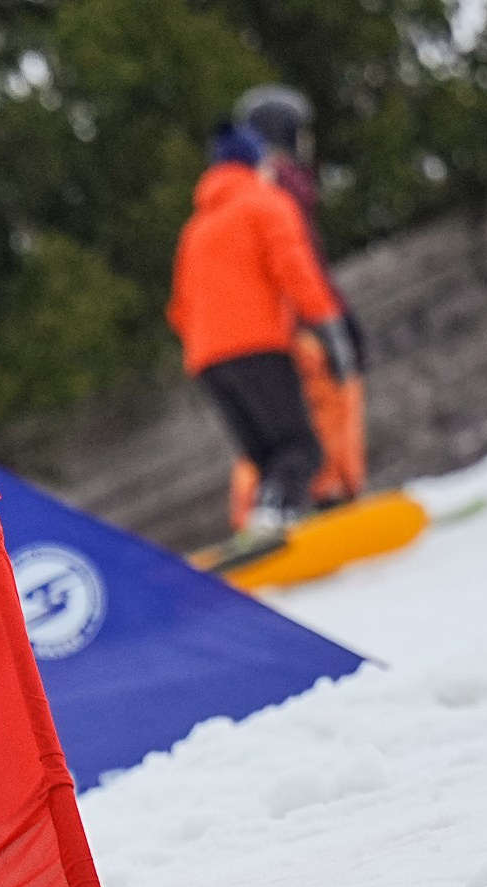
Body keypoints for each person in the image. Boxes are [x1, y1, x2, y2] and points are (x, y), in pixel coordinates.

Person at [166, 121, 358, 555]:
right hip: (258, 348)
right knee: (301, 448)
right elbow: (296, 272)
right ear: (255, 163)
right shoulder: (265, 204)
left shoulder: (194, 230)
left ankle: (272, 520)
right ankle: (272, 522)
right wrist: (330, 330)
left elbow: (179, 309)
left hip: (207, 362)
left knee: (267, 457)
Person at [230, 84, 367, 522]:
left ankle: (277, 505)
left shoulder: (257, 185)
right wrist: (331, 317)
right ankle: (325, 496)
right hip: (294, 321)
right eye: (302, 133)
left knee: (278, 424)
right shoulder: (279, 185)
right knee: (324, 403)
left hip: (276, 322)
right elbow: (297, 262)